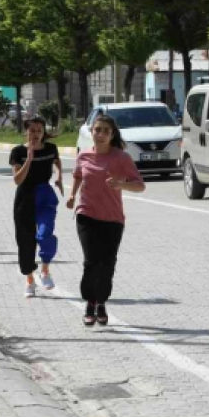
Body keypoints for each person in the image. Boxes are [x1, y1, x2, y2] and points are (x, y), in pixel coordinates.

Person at [65, 114, 144, 327]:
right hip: (86, 214)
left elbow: (139, 185)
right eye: (97, 130)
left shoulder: (121, 158)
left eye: (106, 131)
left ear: (112, 135)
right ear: (91, 132)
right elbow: (78, 175)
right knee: (91, 261)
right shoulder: (83, 155)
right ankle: (90, 302)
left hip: (112, 219)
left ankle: (101, 301)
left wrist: (121, 184)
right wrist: (72, 195)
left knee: (107, 264)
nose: (100, 134)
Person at [9, 118, 63, 298]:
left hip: (45, 196)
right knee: (25, 242)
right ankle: (30, 280)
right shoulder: (18, 152)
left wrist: (59, 176)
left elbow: (57, 161)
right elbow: (17, 180)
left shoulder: (50, 148)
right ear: (26, 132)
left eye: (39, 130)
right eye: (32, 130)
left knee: (45, 233)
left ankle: (45, 270)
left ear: (43, 132)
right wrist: (29, 160)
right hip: (25, 198)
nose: (35, 134)